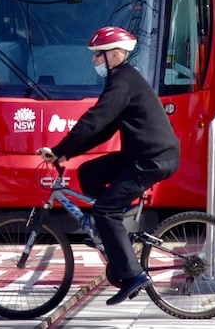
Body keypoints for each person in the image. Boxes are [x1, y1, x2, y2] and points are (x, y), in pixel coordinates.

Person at [36, 26, 180, 305]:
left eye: (97, 56)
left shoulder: (122, 81)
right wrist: (67, 155)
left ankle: (132, 274)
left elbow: (94, 120)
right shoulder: (122, 79)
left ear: (115, 55)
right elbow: (104, 129)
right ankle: (112, 232)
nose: (94, 62)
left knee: (105, 211)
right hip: (142, 155)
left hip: (151, 160)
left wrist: (58, 149)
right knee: (88, 172)